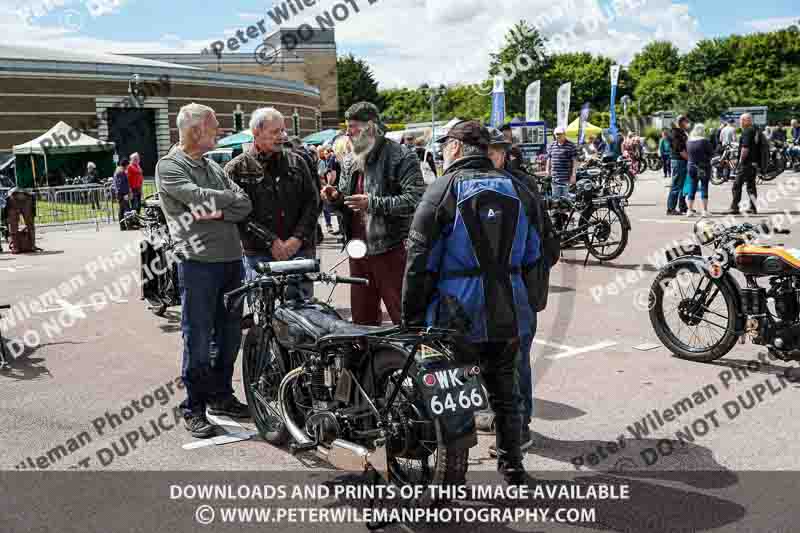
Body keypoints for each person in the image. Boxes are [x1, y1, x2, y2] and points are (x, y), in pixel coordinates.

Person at [402, 120, 545, 485]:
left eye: (445, 144)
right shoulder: (520, 188)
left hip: (457, 310)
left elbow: (419, 261)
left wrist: (412, 317)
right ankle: (513, 468)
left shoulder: (441, 189)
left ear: (455, 147)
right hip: (508, 307)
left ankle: (454, 476)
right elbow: (536, 254)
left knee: (455, 393)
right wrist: (528, 304)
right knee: (506, 391)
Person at [156, 102, 253, 438]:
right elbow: (194, 198)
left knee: (228, 337)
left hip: (230, 261)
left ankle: (221, 396)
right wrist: (223, 201)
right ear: (196, 130)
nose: (220, 131)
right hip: (197, 263)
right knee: (197, 338)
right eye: (214, 126)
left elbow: (245, 203)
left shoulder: (212, 166)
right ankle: (194, 407)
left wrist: (216, 209)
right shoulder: (169, 166)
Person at [320, 102, 423, 326]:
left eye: (354, 127)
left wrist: (373, 203)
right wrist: (335, 197)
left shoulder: (401, 156)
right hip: (358, 250)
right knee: (362, 318)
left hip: (392, 248)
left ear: (371, 127)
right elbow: (347, 201)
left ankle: (408, 359)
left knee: (402, 316)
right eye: (347, 127)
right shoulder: (350, 160)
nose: (348, 132)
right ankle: (366, 361)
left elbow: (415, 200)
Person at [225, 108, 319, 284]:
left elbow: (312, 203)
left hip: (299, 253)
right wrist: (271, 241)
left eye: (283, 130)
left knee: (301, 309)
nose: (282, 136)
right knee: (263, 310)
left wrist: (297, 239)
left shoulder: (298, 162)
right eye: (275, 131)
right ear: (256, 132)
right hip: (259, 256)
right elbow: (237, 214)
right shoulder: (235, 169)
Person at [727, 113, 760, 215]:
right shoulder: (756, 130)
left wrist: (740, 161)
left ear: (747, 121)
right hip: (754, 163)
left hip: (746, 163)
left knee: (737, 185)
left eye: (741, 120)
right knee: (751, 186)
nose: (740, 122)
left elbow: (745, 148)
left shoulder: (747, 132)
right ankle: (753, 207)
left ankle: (734, 207)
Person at [684, 124, 713, 217]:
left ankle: (689, 210)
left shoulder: (688, 141)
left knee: (692, 187)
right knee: (704, 187)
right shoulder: (704, 141)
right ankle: (704, 210)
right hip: (703, 166)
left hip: (691, 166)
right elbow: (711, 153)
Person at [667, 116, 690, 215]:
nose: (687, 124)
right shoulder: (676, 133)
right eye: (686, 122)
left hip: (681, 161)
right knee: (676, 185)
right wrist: (690, 159)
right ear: (681, 122)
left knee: (683, 185)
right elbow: (680, 150)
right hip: (679, 161)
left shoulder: (681, 132)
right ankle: (671, 208)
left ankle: (683, 206)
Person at [546, 126, 577, 199]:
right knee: (556, 199)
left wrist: (573, 175)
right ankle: (557, 211)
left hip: (566, 178)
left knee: (566, 199)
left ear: (564, 134)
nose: (558, 136)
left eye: (560, 134)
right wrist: (547, 171)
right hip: (555, 178)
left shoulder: (571, 145)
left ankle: (567, 210)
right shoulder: (552, 145)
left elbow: (575, 161)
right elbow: (549, 159)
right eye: (556, 134)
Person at [113, 158, 131, 225]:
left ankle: (123, 225)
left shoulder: (118, 171)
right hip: (122, 194)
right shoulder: (121, 172)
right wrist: (125, 194)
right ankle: (124, 225)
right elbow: (122, 184)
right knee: (124, 209)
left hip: (120, 193)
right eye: (127, 165)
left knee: (122, 209)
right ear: (125, 165)